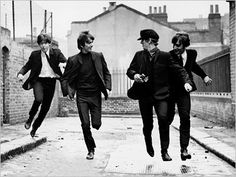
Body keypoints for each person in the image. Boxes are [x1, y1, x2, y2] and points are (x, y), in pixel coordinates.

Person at [126, 29, 192, 161]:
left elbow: (179, 70)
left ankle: (164, 151)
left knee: (163, 119)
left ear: (149, 41)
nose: (141, 44)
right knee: (148, 124)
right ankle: (148, 142)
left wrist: (186, 82)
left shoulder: (165, 56)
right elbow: (130, 70)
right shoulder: (139, 55)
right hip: (144, 96)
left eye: (143, 41)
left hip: (161, 95)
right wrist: (135, 75)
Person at [61, 31, 112, 160]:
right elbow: (65, 78)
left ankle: (95, 127)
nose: (92, 45)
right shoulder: (73, 60)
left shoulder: (98, 56)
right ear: (82, 45)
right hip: (82, 96)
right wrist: (67, 92)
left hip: (95, 95)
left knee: (96, 124)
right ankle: (90, 149)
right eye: (89, 43)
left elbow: (107, 73)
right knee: (85, 124)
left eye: (92, 42)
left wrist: (108, 87)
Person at [168, 32, 212, 161]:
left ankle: (184, 149)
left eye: (178, 45)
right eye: (174, 45)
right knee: (167, 118)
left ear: (185, 45)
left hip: (184, 92)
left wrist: (204, 76)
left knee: (185, 118)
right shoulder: (170, 56)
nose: (175, 47)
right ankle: (164, 144)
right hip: (171, 91)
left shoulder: (192, 54)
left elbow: (194, 66)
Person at [17, 33, 67, 137]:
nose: (43, 46)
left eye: (45, 43)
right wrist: (21, 73)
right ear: (39, 44)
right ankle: (30, 118)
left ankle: (35, 127)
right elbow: (27, 66)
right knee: (38, 99)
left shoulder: (56, 53)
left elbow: (65, 62)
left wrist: (63, 64)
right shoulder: (35, 55)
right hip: (38, 80)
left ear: (49, 43)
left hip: (51, 81)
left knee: (45, 108)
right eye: (41, 43)